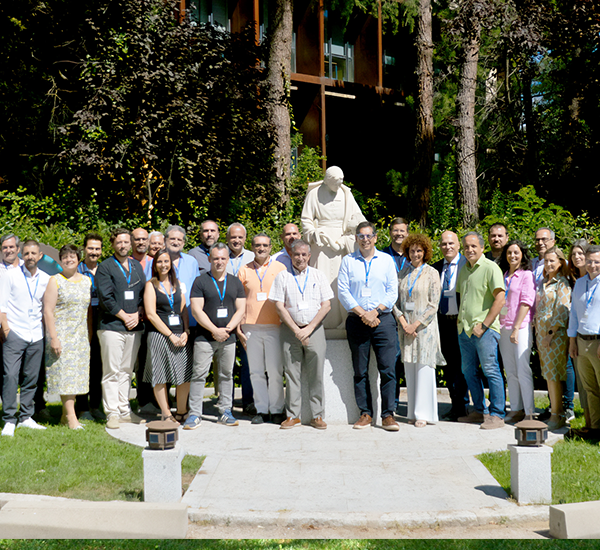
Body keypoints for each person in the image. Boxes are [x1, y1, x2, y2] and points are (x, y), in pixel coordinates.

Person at [338, 221, 399, 431]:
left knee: (388, 369)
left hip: (384, 320)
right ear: (356, 238)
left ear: (375, 237)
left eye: (369, 236)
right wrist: (363, 313)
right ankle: (365, 413)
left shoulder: (386, 260)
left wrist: (376, 311)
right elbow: (343, 291)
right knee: (360, 371)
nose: (365, 240)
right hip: (357, 320)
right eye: (361, 236)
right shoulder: (348, 261)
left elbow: (393, 291)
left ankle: (388, 415)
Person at [270, 239, 333, 429]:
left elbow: (326, 305)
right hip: (290, 331)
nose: (300, 258)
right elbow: (279, 306)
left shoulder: (318, 276)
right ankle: (293, 415)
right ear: (291, 254)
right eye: (296, 254)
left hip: (314, 330)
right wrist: (297, 330)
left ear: (309, 255)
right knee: (291, 374)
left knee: (317, 375)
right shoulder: (282, 277)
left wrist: (308, 328)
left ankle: (317, 416)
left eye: (304, 254)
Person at [186, 243, 246, 429]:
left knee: (227, 375)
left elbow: (241, 309)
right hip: (205, 337)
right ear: (210, 259)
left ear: (228, 260)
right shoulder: (200, 281)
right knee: (199, 375)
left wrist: (227, 329)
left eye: (223, 258)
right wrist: (214, 330)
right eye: (216, 258)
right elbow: (196, 311)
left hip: (228, 337)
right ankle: (195, 413)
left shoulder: (235, 282)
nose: (219, 262)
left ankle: (226, 411)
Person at [302, 166, 366, 329]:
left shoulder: (346, 194)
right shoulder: (314, 194)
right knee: (321, 280)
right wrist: (313, 234)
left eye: (341, 182)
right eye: (335, 183)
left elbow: (358, 218)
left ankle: (343, 321)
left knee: (341, 282)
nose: (339, 186)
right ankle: (322, 321)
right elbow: (306, 219)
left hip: (342, 242)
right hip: (321, 243)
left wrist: (350, 233)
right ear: (328, 180)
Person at [96, 228, 146, 429]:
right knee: (112, 371)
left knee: (126, 371)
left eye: (126, 242)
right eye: (119, 242)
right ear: (113, 244)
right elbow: (105, 297)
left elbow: (144, 293)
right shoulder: (105, 267)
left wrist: (139, 312)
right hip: (112, 326)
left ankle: (125, 410)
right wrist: (124, 316)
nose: (123, 245)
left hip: (134, 327)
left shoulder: (136, 266)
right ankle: (112, 413)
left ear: (131, 244)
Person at [457, 232, 506, 429]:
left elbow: (500, 299)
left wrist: (484, 325)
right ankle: (479, 410)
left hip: (484, 330)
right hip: (465, 330)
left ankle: (497, 414)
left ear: (482, 248)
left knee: (491, 370)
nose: (469, 250)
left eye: (473, 246)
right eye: (466, 247)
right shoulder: (464, 269)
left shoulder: (490, 268)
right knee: (468, 371)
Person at [0, 240, 50, 436]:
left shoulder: (46, 278)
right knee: (11, 376)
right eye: (27, 253)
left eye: (33, 253)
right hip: (15, 333)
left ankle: (26, 417)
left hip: (36, 334)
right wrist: (6, 331)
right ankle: (9, 419)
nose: (30, 257)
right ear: (22, 254)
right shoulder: (10, 275)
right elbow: (1, 306)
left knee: (31, 378)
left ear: (40, 256)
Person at [396, 234, 445, 427]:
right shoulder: (402, 273)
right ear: (407, 252)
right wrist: (403, 322)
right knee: (410, 368)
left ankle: (424, 414)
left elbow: (433, 304)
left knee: (424, 368)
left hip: (424, 328)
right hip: (405, 328)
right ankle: (412, 411)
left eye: (419, 250)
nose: (415, 254)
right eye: (412, 250)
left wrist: (415, 325)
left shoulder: (432, 273)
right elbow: (395, 302)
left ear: (425, 252)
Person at [238, 233, 287, 425]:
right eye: (257, 245)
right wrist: (239, 326)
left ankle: (276, 410)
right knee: (256, 371)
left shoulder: (280, 268)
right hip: (250, 327)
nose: (261, 248)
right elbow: (238, 299)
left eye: (265, 245)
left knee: (275, 371)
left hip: (275, 326)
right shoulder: (244, 270)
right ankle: (261, 409)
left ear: (270, 247)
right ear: (252, 247)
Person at [44, 245, 92, 430]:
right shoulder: (55, 281)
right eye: (65, 257)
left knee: (76, 376)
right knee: (65, 376)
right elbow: (48, 311)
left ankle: (65, 415)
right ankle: (72, 418)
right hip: (61, 334)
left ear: (78, 259)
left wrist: (87, 335)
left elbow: (88, 311)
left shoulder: (87, 281)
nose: (69, 259)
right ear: (60, 260)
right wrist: (54, 338)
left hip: (79, 336)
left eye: (72, 256)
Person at [143, 249, 192, 424]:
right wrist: (170, 334)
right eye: (159, 262)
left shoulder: (178, 283)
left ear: (171, 263)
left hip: (180, 335)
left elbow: (184, 310)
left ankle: (181, 411)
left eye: (166, 261)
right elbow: (151, 314)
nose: (163, 265)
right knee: (160, 376)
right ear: (154, 265)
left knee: (184, 375)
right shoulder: (151, 285)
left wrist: (186, 331)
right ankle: (166, 413)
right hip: (159, 336)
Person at [497, 240, 536, 423]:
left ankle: (529, 412)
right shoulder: (504, 275)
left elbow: (527, 302)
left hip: (519, 327)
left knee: (522, 370)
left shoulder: (526, 275)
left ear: (522, 255)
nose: (513, 256)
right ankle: (515, 409)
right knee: (510, 371)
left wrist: (515, 328)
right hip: (503, 327)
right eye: (509, 253)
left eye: (516, 252)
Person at [432, 231, 469, 421]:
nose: (448, 247)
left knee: (464, 366)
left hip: (461, 323)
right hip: (443, 323)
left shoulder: (467, 264)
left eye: (451, 243)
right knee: (449, 366)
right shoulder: (436, 268)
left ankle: (465, 405)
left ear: (458, 245)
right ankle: (455, 405)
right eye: (444, 244)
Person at [535, 246, 572, 430]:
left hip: (554, 337)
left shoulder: (562, 283)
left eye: (552, 261)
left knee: (553, 375)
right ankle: (555, 411)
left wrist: (549, 335)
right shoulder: (543, 282)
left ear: (560, 263)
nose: (548, 264)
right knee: (548, 374)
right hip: (541, 336)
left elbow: (562, 311)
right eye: (546, 261)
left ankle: (557, 415)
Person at [567, 244, 600, 441]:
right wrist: (572, 341)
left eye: (597, 262)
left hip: (598, 342)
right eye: (590, 261)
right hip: (581, 340)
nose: (593, 265)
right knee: (589, 389)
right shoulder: (580, 283)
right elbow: (574, 314)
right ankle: (595, 429)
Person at [225, 223, 255, 415]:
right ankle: (225, 403)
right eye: (233, 237)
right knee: (225, 364)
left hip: (247, 317)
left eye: (240, 237)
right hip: (224, 316)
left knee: (248, 361)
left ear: (245, 238)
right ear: (227, 239)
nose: (237, 240)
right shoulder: (219, 255)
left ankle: (249, 401)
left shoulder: (253, 257)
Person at [76, 232, 105, 421]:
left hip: (102, 318)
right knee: (82, 363)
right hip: (81, 319)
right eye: (90, 248)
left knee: (98, 364)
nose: (94, 252)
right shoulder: (76, 269)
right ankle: (82, 407)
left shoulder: (105, 269)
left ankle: (96, 405)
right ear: (84, 249)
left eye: (97, 249)